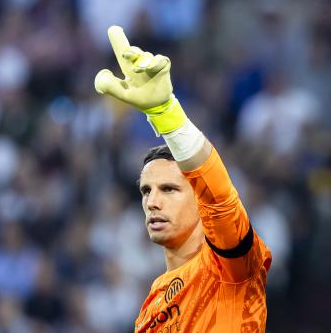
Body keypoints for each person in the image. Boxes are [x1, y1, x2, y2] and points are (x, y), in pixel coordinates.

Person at [94, 26, 272, 332]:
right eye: (146, 191)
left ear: (200, 201)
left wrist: (167, 114)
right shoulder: (152, 307)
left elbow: (219, 198)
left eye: (169, 189)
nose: (152, 201)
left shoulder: (230, 268)